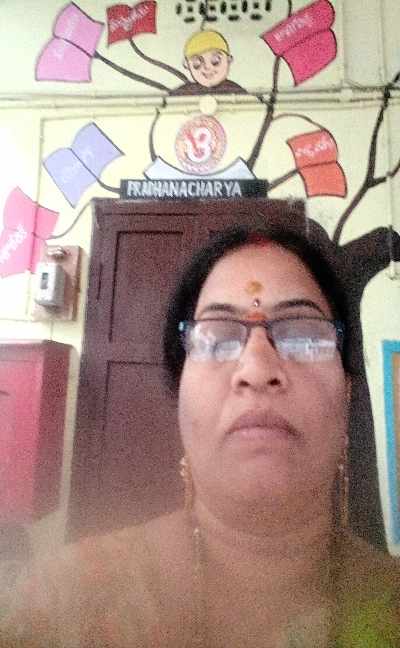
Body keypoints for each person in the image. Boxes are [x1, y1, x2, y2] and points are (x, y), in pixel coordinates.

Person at [1, 222, 400, 647]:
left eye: (302, 335)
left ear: (347, 392)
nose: (257, 369)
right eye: (216, 338)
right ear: (181, 396)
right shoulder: (56, 609)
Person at [170, 30, 247, 95]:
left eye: (215, 61)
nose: (207, 67)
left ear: (229, 60)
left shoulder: (236, 91)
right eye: (197, 63)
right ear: (187, 65)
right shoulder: (183, 92)